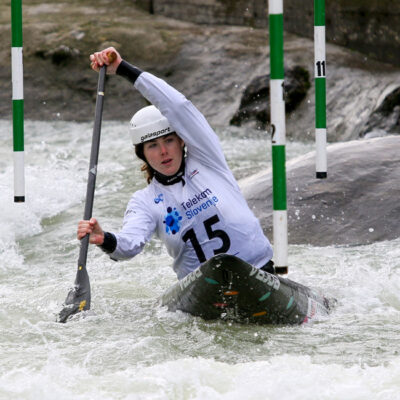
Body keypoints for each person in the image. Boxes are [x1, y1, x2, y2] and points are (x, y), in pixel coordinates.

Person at [77, 47, 274, 280]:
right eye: (152, 146)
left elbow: (178, 107)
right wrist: (104, 239)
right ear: (142, 154)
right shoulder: (145, 201)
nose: (163, 151)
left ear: (181, 140)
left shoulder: (207, 159)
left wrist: (122, 68)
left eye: (168, 141)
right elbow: (128, 245)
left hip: (258, 271)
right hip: (203, 289)